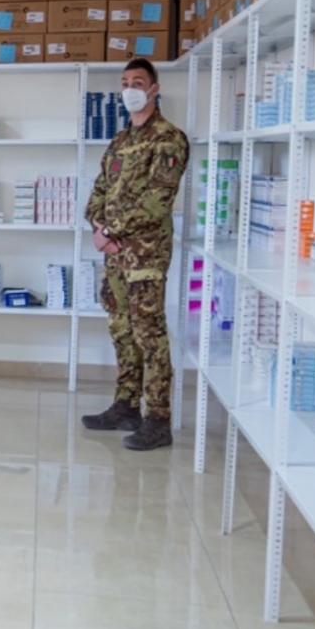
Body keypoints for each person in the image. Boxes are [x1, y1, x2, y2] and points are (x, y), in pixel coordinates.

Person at [81, 58, 190, 451]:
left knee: (149, 333)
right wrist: (97, 225)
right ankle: (126, 405)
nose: (130, 89)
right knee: (121, 329)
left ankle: (157, 419)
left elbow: (158, 200)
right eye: (125, 82)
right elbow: (99, 190)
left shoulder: (169, 138)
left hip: (145, 255)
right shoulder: (121, 141)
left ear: (154, 89)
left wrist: (111, 231)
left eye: (138, 82)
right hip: (114, 255)